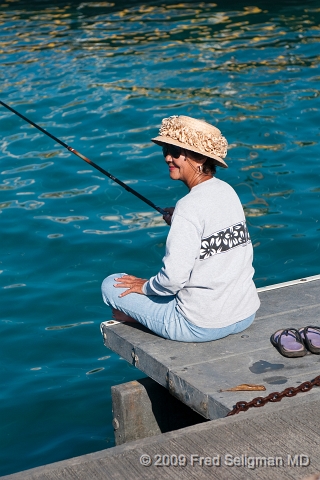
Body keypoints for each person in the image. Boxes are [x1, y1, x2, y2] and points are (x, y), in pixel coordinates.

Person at [101, 115, 260, 342]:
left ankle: (140, 317)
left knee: (111, 285)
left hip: (198, 325)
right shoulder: (227, 191)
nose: (167, 157)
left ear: (198, 159)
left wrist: (145, 287)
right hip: (245, 313)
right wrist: (180, 219)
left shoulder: (188, 207)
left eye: (175, 152)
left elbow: (172, 281)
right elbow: (213, 232)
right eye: (165, 149)